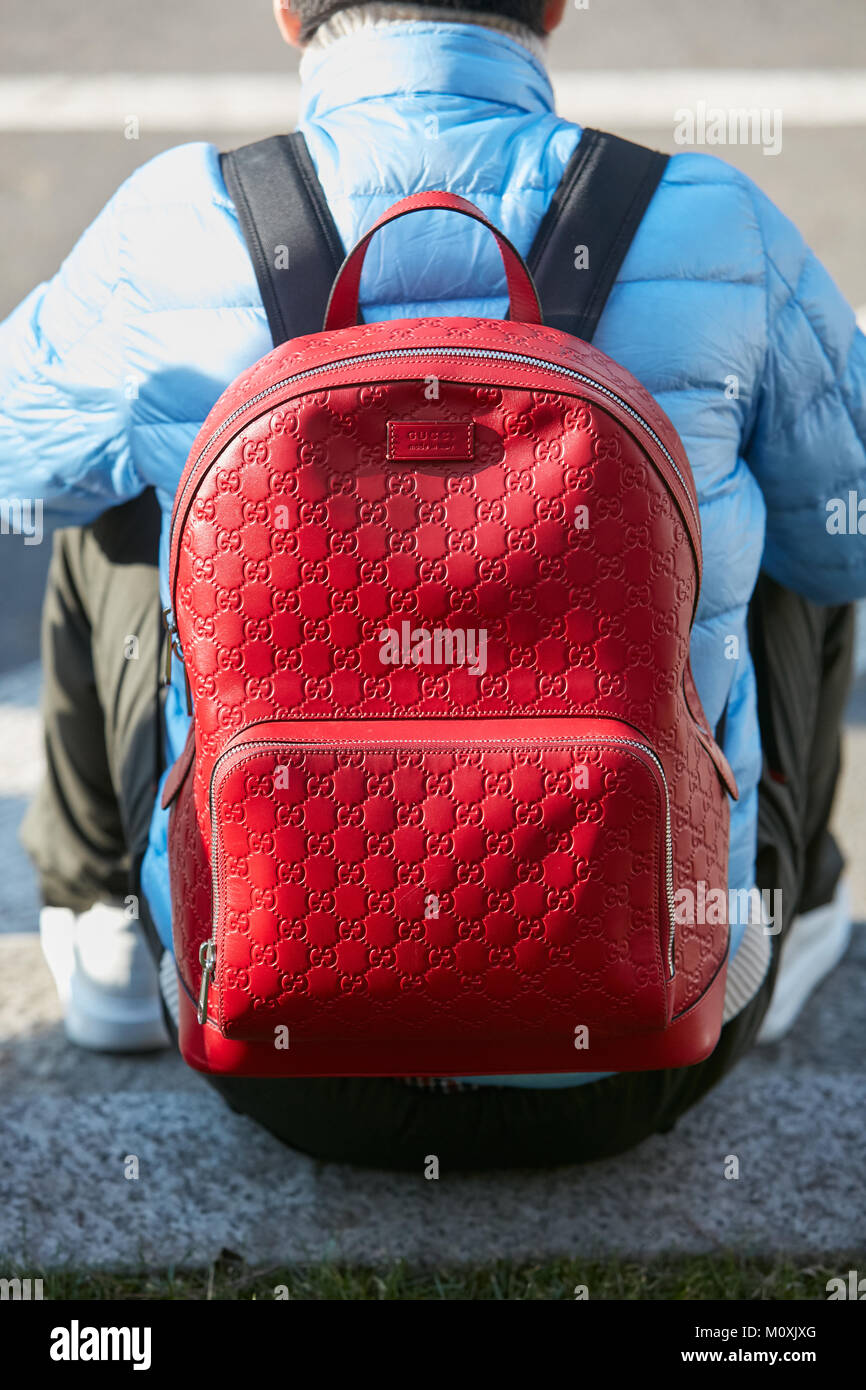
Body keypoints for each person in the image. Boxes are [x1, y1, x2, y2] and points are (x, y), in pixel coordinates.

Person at [1, 0, 864, 1169]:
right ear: (553, 3)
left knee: (107, 484)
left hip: (267, 1035)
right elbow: (839, 547)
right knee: (798, 494)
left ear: (289, 7)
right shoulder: (708, 215)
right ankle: (785, 905)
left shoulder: (171, 222)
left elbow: (20, 474)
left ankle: (108, 924)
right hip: (648, 1043)